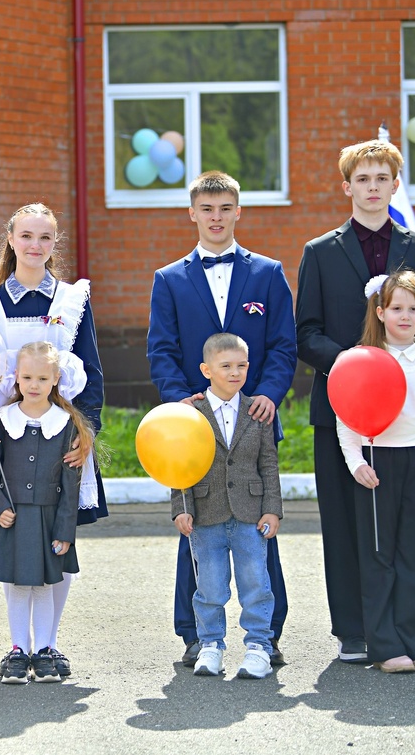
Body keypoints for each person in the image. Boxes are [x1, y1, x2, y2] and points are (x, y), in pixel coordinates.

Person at [296, 139, 415, 664]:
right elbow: (306, 333)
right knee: (347, 523)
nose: (372, 187)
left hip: (410, 419)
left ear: (394, 185)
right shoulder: (320, 251)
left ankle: (406, 632)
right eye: (362, 179)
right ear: (347, 186)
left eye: (381, 179)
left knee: (404, 532)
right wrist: (357, 367)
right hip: (343, 411)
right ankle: (354, 630)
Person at [0, 201, 105, 678]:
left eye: (45, 237)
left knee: (60, 541)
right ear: (11, 240)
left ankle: (49, 645)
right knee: (16, 541)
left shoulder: (72, 302)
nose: (35, 245)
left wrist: (87, 432)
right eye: (27, 236)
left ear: (55, 244)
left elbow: (92, 372)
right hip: (7, 442)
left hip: (62, 439)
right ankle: (19, 646)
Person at [146, 171, 295, 668]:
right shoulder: (169, 279)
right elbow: (162, 350)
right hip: (193, 425)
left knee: (259, 527)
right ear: (192, 213)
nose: (216, 217)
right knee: (195, 526)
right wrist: (180, 404)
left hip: (253, 421)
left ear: (238, 211)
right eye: (207, 209)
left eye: (225, 208)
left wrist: (268, 394)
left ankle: (267, 633)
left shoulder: (268, 273)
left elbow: (283, 345)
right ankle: (195, 634)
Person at [335, 271, 415, 673]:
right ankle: (386, 646)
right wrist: (356, 462)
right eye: (396, 308)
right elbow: (346, 417)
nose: (405, 316)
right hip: (378, 463)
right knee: (379, 555)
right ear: (380, 312)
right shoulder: (360, 359)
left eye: (413, 309)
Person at [171, 333, 282, 679]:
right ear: (206, 370)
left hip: (250, 514)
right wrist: (181, 507)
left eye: (242, 366)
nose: (235, 373)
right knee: (210, 587)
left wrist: (272, 508)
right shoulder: (192, 413)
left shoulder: (257, 411)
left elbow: (268, 463)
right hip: (206, 514)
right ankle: (210, 645)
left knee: (256, 584)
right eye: (226, 366)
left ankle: (259, 646)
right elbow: (179, 463)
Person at [0, 342, 87, 685]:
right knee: (17, 586)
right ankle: (17, 652)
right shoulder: (3, 420)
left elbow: (71, 484)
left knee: (43, 587)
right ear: (16, 377)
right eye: (27, 377)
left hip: (48, 522)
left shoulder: (66, 424)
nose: (34, 385)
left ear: (55, 379)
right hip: (13, 521)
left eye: (42, 378)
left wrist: (65, 531)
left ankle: (43, 651)